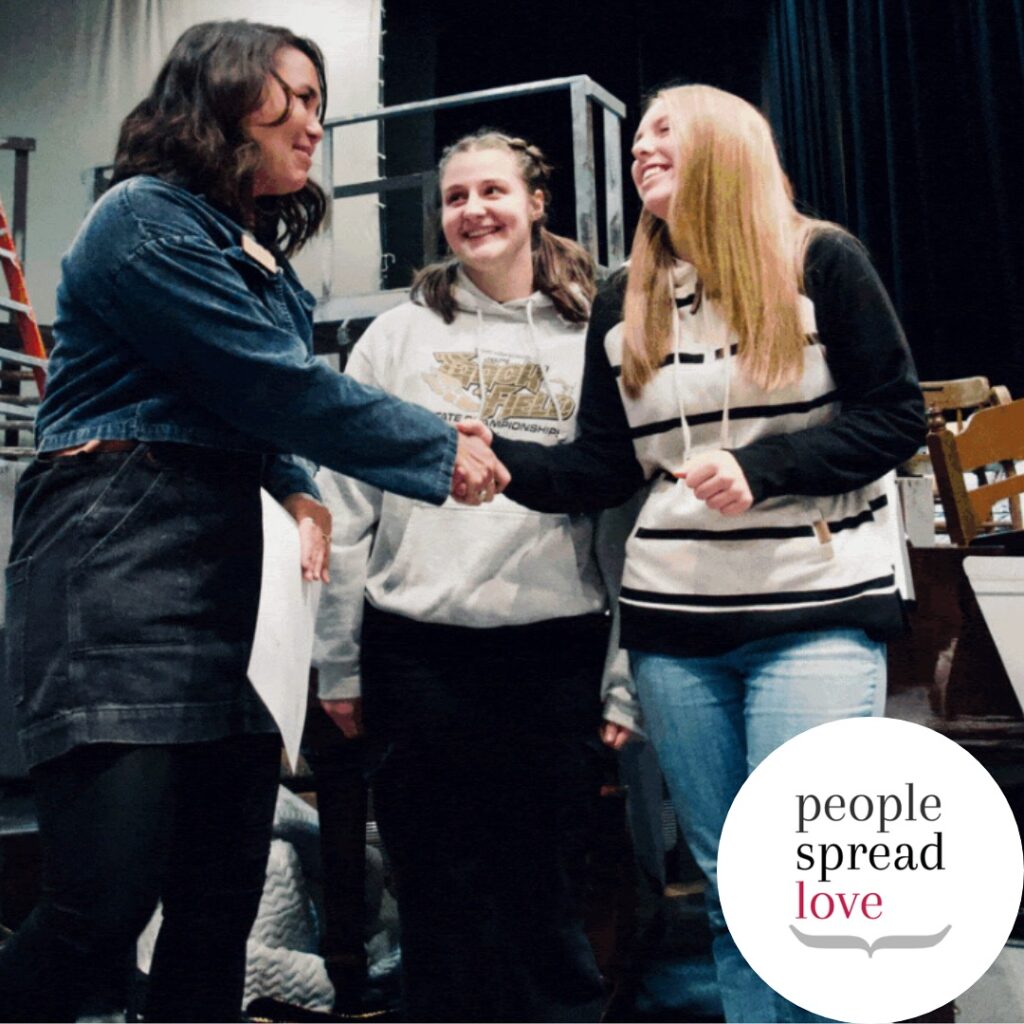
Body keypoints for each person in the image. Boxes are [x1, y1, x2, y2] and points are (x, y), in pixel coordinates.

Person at [0, 20, 504, 1023]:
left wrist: (299, 483)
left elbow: (245, 402)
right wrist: (434, 448)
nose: (317, 122)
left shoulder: (260, 255)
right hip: (118, 574)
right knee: (99, 906)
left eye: (320, 100)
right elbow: (259, 379)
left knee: (216, 904)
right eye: (297, 96)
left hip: (226, 594)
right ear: (228, 94)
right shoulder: (141, 218)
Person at [473, 85, 925, 1023]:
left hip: (818, 608)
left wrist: (765, 469)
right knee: (731, 885)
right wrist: (490, 462)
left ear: (726, 143)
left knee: (811, 873)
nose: (641, 150)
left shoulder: (821, 260)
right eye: (636, 140)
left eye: (662, 132)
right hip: (676, 630)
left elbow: (895, 417)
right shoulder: (620, 298)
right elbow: (602, 467)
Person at [314, 130, 636, 1022]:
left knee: (543, 889)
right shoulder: (393, 338)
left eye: (492, 191)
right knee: (434, 894)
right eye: (455, 198)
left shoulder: (592, 339)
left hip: (552, 654)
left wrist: (621, 676)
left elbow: (620, 515)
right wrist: (337, 662)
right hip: (418, 655)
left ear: (537, 203)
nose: (472, 212)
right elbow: (346, 510)